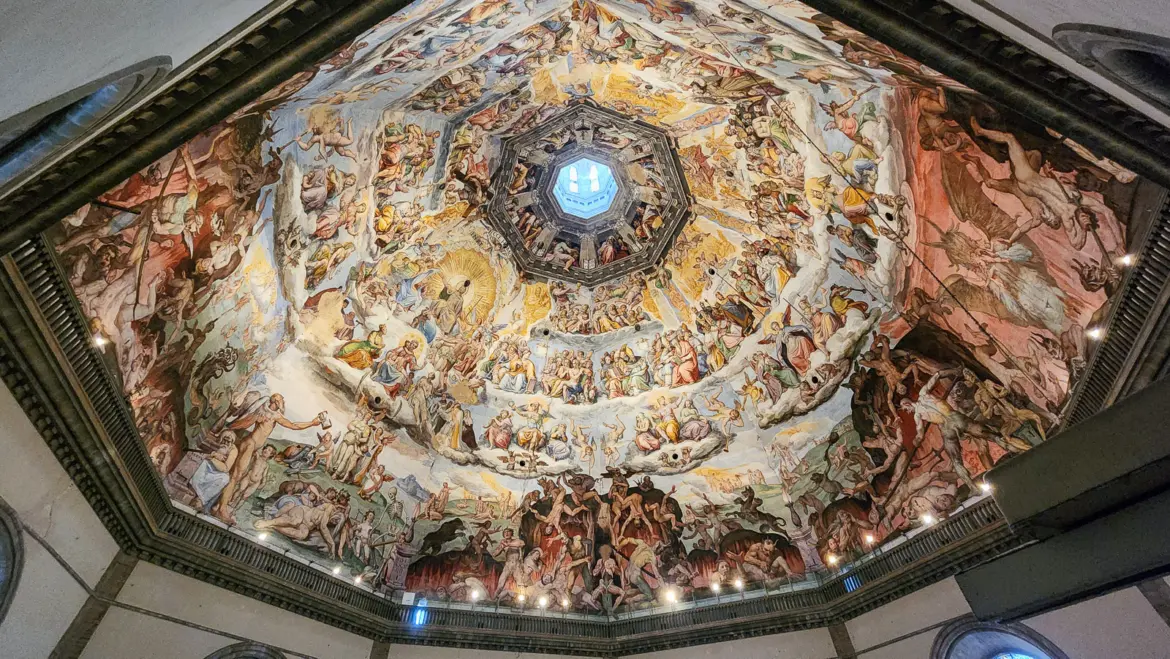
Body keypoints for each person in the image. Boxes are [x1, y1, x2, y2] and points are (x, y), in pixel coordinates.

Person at [214, 394, 326, 523]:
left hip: (253, 447)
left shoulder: (275, 415)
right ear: (276, 402)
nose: (284, 402)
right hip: (249, 444)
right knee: (236, 476)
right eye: (281, 400)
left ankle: (217, 505)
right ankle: (222, 509)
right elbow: (247, 420)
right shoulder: (263, 411)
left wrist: (312, 423)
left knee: (236, 476)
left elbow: (294, 425)